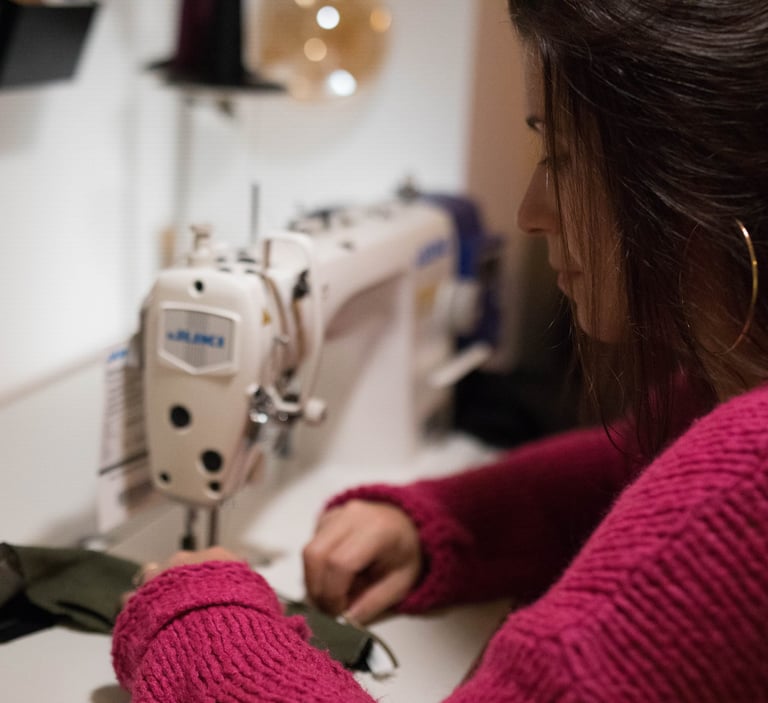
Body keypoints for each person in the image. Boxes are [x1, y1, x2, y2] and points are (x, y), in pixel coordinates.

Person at [112, 1, 768, 700]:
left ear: (694, 173)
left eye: (559, 156)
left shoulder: (744, 485)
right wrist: (450, 523)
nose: (529, 212)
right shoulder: (721, 395)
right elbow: (641, 457)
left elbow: (710, 504)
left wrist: (199, 623)